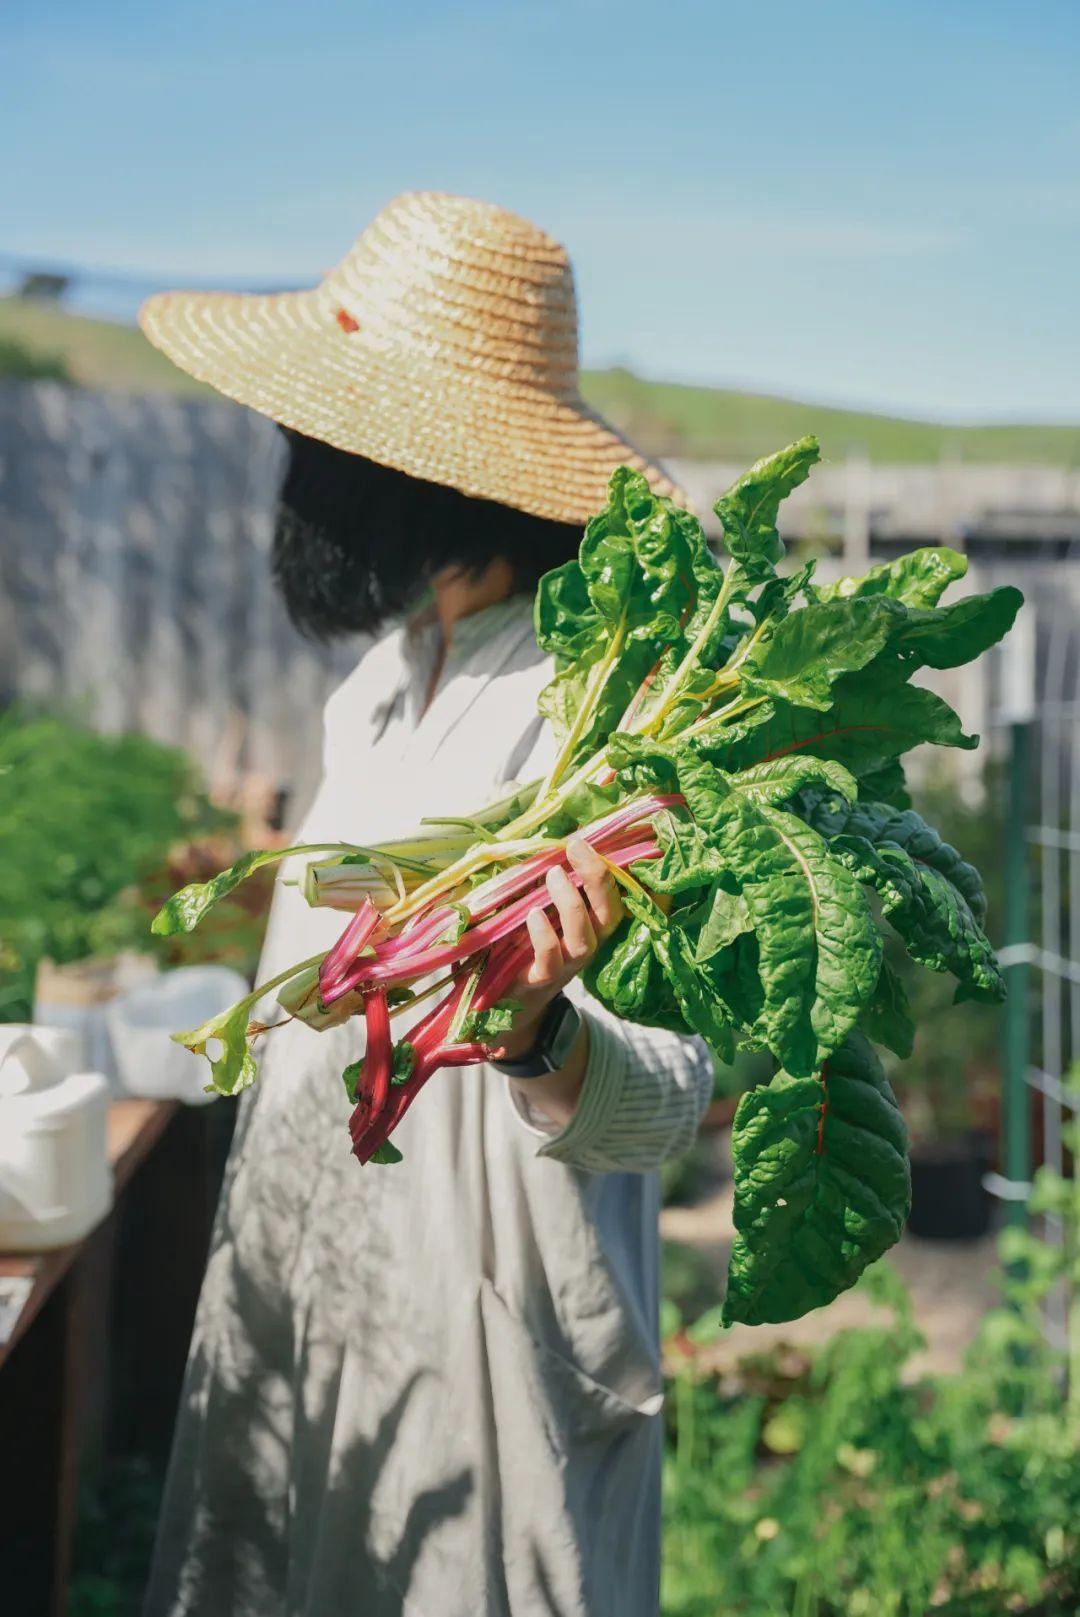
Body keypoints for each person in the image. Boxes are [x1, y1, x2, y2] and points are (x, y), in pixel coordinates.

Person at [139, 192, 713, 1617]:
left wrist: (538, 1036)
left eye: (319, 437)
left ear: (417, 463)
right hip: (309, 1279)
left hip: (480, 1327)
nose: (292, 464)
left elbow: (677, 1099)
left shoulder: (611, 713)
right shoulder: (382, 681)